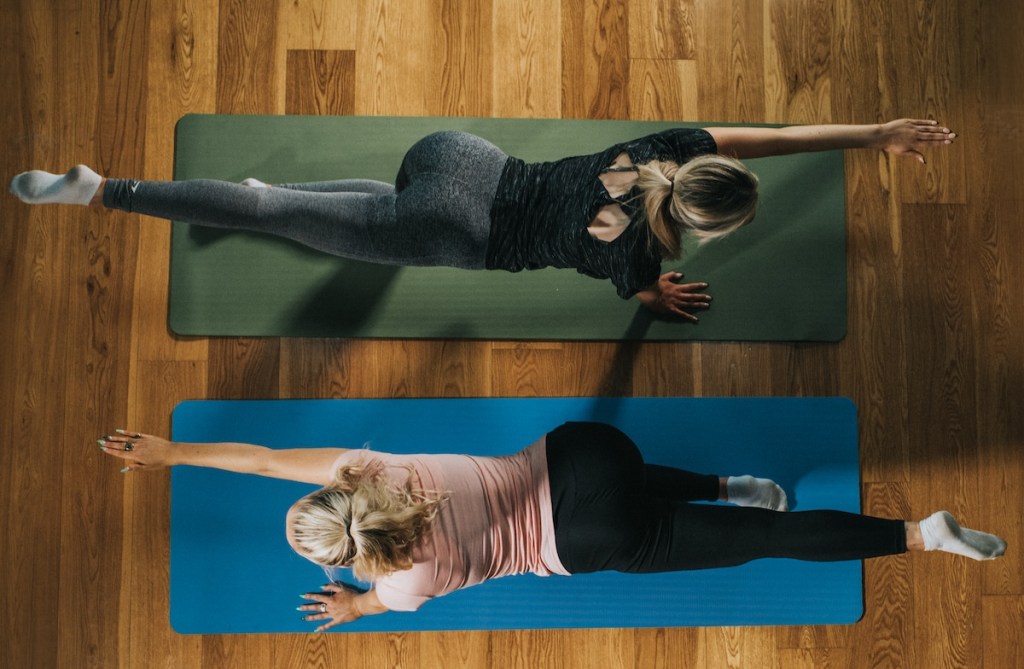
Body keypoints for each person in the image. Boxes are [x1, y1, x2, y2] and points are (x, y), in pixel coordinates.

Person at [97, 421, 1005, 631]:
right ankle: (735, 481)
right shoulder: (363, 469)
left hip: (582, 540)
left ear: (351, 552)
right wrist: (167, 450)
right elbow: (258, 459)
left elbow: (378, 603)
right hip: (583, 453)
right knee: (639, 479)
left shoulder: (404, 581)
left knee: (754, 545)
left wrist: (353, 609)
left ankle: (920, 534)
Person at [13, 119, 954, 320]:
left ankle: (280, 198)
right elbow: (641, 292)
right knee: (270, 215)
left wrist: (873, 134)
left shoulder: (674, 141)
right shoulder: (639, 253)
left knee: (355, 205)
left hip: (457, 155)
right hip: (453, 230)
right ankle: (104, 189)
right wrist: (657, 295)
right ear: (705, 225)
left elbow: (777, 134)